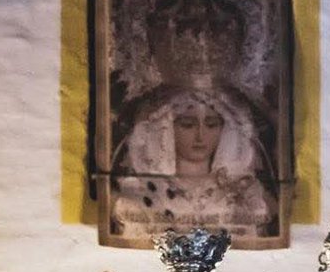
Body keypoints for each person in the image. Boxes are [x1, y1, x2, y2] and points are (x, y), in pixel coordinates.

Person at [111, 85, 278, 240]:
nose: (200, 136)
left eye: (212, 125)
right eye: (187, 124)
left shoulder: (244, 193)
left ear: (226, 130)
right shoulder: (142, 191)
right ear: (165, 129)